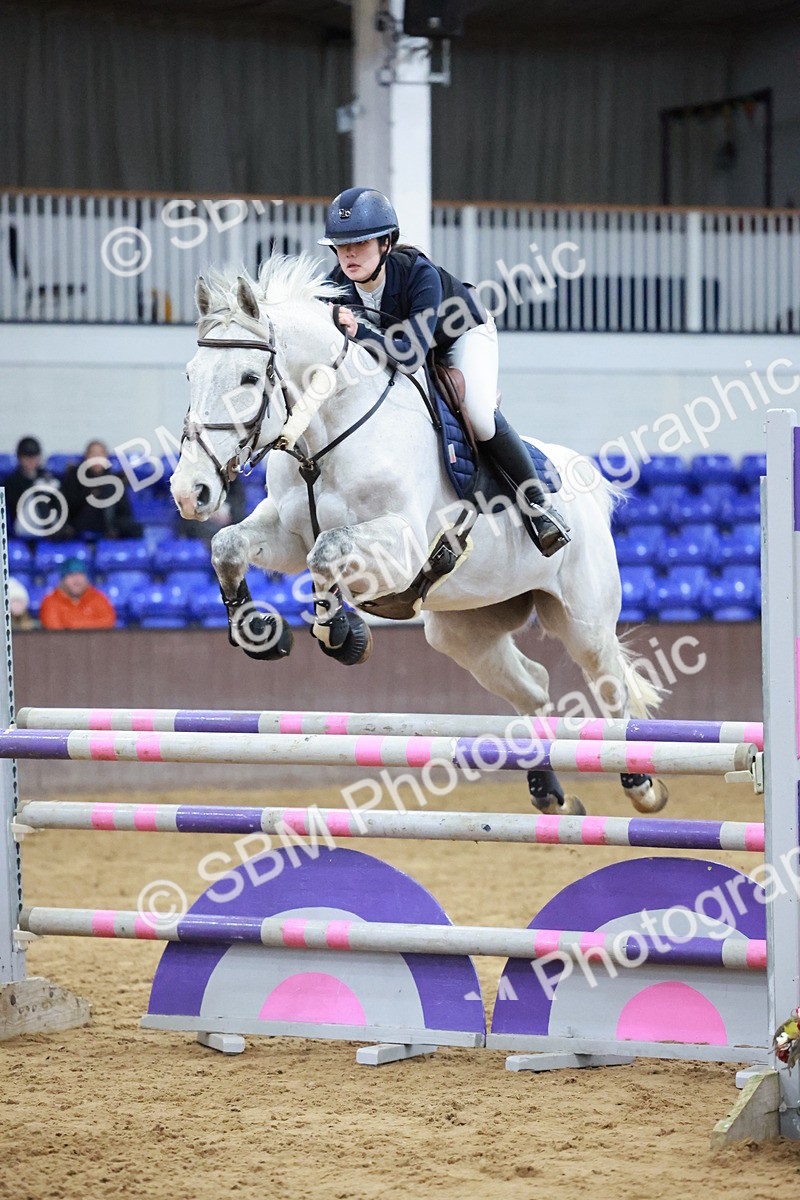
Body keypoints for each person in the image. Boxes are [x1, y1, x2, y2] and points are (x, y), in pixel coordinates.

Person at [319, 187, 570, 557]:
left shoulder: (420, 274)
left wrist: (361, 331)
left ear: (387, 243)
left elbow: (409, 356)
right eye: (341, 246)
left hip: (461, 334)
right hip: (403, 344)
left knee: (480, 416)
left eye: (360, 243)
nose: (349, 254)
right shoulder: (336, 286)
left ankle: (538, 505)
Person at [61, 440, 143, 539]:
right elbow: (68, 505)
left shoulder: (114, 481)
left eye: (100, 454)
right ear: (86, 457)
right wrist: (89, 494)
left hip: (109, 525)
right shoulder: (74, 477)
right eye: (93, 454)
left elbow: (124, 511)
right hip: (80, 523)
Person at [1, 436, 65, 539]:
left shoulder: (46, 475)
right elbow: (14, 506)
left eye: (34, 457)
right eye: (27, 458)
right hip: (23, 523)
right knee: (38, 490)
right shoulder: (12, 480)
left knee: (52, 487)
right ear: (19, 458)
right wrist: (32, 485)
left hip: (49, 521)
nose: (31, 461)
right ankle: (51, 530)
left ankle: (60, 528)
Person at [39, 558, 116, 630]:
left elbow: (109, 623)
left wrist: (72, 625)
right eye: (71, 575)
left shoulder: (98, 597)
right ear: (61, 580)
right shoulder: (51, 601)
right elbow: (54, 630)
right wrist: (89, 624)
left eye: (80, 574)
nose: (76, 580)